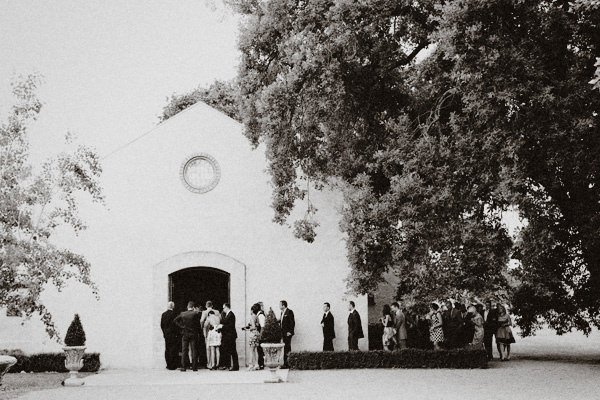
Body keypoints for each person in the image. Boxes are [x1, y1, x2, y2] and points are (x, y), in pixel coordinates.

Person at [173, 301, 201, 371]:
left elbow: (175, 320)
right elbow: (198, 324)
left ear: (187, 307)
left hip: (185, 333)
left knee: (184, 350)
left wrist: (182, 326)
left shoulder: (183, 314)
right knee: (194, 350)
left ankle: (183, 367)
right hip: (193, 334)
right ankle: (194, 367)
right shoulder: (195, 314)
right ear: (193, 307)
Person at [201, 301, 220, 368]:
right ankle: (217, 363)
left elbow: (202, 321)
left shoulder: (204, 312)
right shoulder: (217, 312)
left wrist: (202, 329)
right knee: (217, 348)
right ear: (212, 306)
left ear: (206, 306)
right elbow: (220, 320)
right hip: (217, 332)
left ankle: (210, 363)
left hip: (210, 332)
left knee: (209, 348)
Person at [160, 301, 179, 370]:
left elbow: (161, 325)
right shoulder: (175, 314)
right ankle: (173, 365)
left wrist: (164, 333)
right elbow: (176, 325)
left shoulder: (163, 314)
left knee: (167, 349)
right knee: (173, 349)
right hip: (174, 334)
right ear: (173, 306)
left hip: (167, 334)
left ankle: (168, 364)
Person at [221, 303, 239, 371]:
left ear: (226, 307)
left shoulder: (231, 314)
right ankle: (229, 365)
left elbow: (230, 326)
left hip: (231, 335)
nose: (223, 309)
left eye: (223, 308)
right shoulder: (227, 314)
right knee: (229, 350)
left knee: (233, 351)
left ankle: (235, 366)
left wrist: (222, 326)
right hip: (228, 335)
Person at [243, 304, 261, 370]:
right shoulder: (256, 316)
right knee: (255, 350)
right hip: (257, 334)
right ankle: (256, 364)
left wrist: (247, 328)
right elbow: (257, 325)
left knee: (251, 350)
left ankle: (251, 364)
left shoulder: (252, 317)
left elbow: (253, 327)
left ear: (252, 310)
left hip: (253, 334)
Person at [279, 300, 295, 368]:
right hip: (283, 333)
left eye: (280, 305)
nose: (279, 306)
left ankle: (288, 363)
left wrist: (290, 332)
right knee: (285, 347)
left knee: (287, 347)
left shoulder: (289, 311)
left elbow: (292, 322)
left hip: (287, 333)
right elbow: (282, 322)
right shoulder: (282, 312)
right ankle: (285, 363)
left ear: (283, 305)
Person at [256, 302, 266, 369]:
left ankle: (261, 364)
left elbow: (262, 326)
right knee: (259, 349)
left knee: (260, 349)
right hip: (259, 333)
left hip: (261, 334)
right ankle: (260, 364)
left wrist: (260, 335)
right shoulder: (259, 315)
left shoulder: (260, 315)